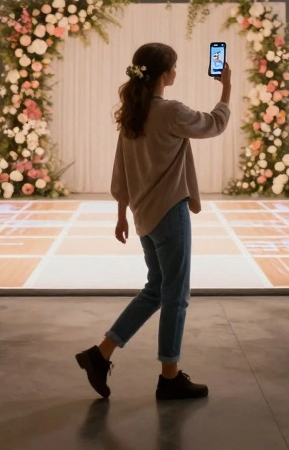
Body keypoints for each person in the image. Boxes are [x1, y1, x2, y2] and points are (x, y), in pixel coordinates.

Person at [75, 42, 231, 401]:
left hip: (143, 216)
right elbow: (214, 124)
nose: (176, 72)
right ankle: (170, 376)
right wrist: (226, 87)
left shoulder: (133, 113)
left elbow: (121, 170)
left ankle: (101, 354)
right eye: (173, 67)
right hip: (170, 214)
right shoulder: (171, 111)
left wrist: (120, 214)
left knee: (156, 290)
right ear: (164, 75)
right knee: (176, 295)